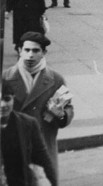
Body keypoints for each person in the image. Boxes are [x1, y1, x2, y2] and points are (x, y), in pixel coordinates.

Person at [2, 32, 74, 178]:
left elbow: (68, 108)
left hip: (43, 147)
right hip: (13, 149)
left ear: (44, 53)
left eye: (36, 51)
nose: (30, 55)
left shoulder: (56, 79)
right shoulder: (6, 78)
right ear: (19, 51)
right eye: (26, 50)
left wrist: (61, 114)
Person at [1, 83, 57, 186]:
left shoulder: (28, 124)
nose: (2, 105)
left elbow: (43, 161)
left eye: (7, 99)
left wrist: (53, 183)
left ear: (13, 99)